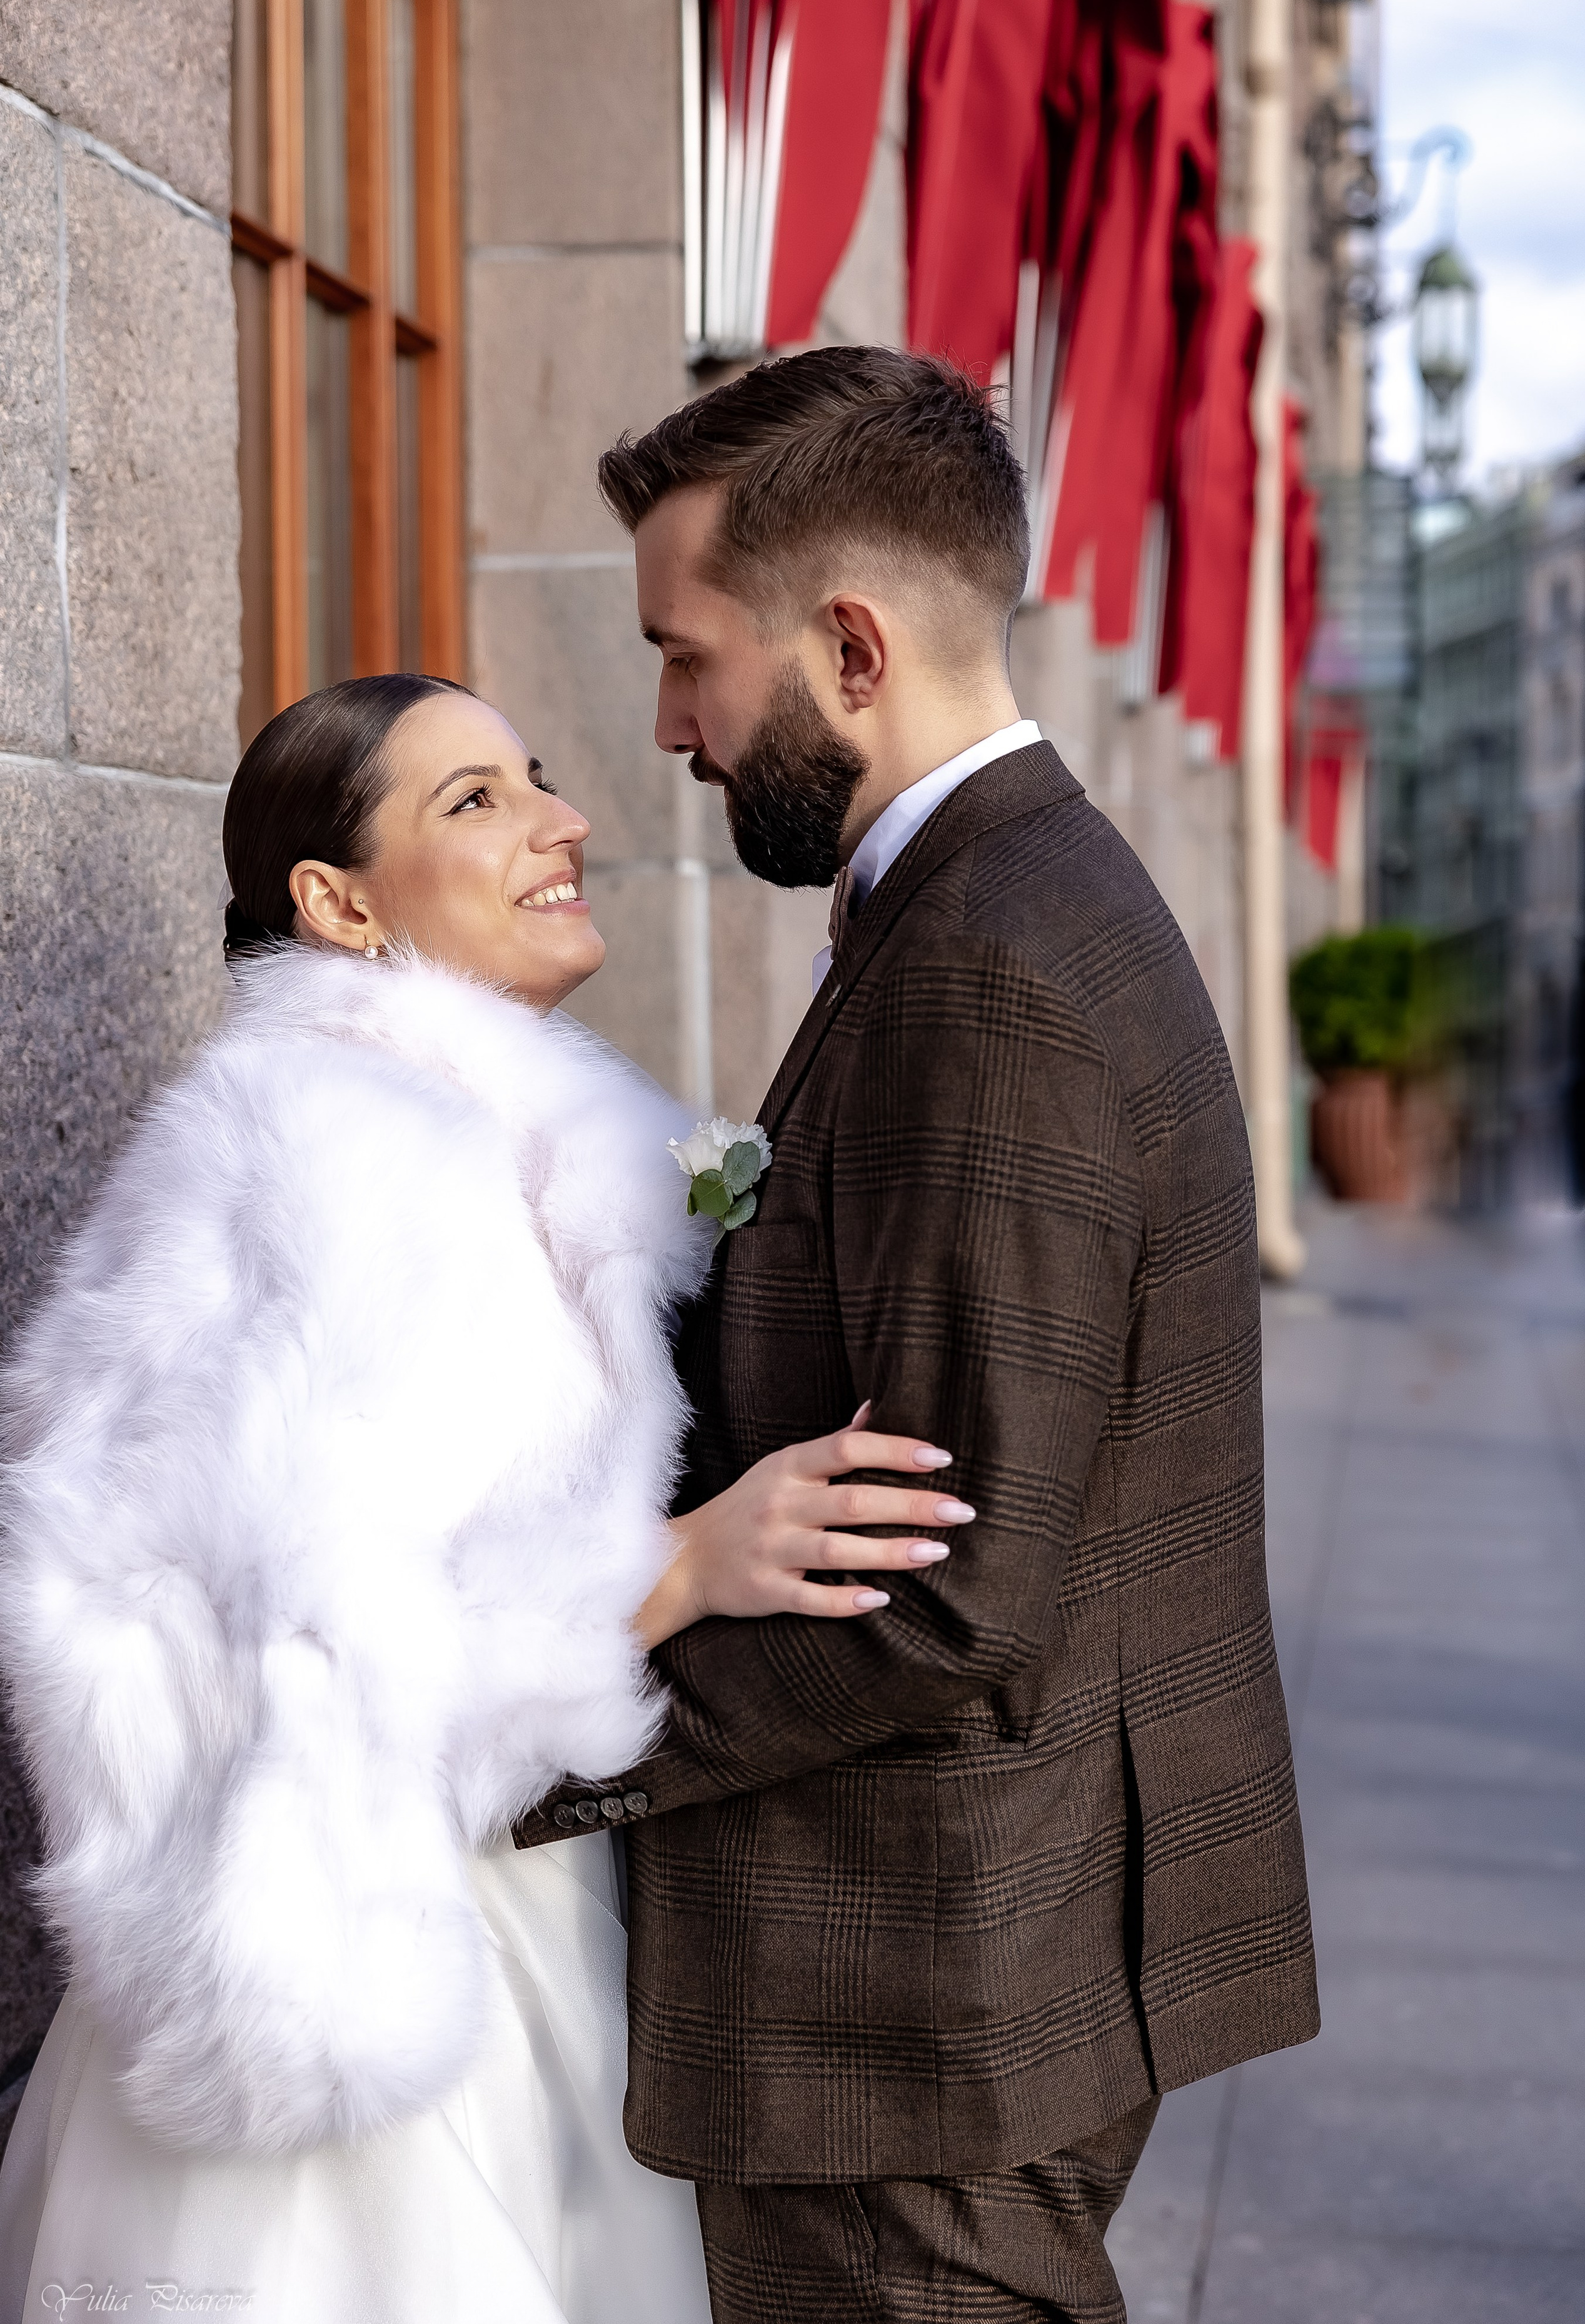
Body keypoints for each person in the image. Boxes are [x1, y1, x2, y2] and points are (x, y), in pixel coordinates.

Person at [513, 348, 1321, 2323]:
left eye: (691, 656)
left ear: (851, 645)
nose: (670, 724)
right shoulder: (984, 897)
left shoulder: (990, 963)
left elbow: (952, 1595)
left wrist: (531, 1729)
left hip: (912, 2012)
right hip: (965, 1973)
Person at [0, 672, 964, 2324]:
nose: (559, 819)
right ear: (338, 900)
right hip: (372, 1985)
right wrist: (671, 1570)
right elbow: (284, 1659)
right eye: (475, 801)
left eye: (535, 776)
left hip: (515, 1922)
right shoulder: (330, 1151)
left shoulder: (511, 1139)